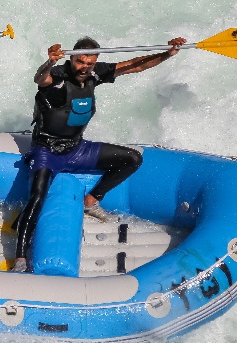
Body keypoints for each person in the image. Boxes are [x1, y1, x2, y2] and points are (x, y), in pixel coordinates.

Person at [12, 35, 187, 272]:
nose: (85, 67)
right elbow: (40, 78)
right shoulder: (58, 77)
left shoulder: (95, 73)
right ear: (72, 59)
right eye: (80, 62)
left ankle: (90, 200)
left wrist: (167, 54)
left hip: (77, 148)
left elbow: (134, 65)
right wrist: (49, 62)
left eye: (90, 63)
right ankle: (21, 258)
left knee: (133, 159)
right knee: (37, 198)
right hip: (47, 151)